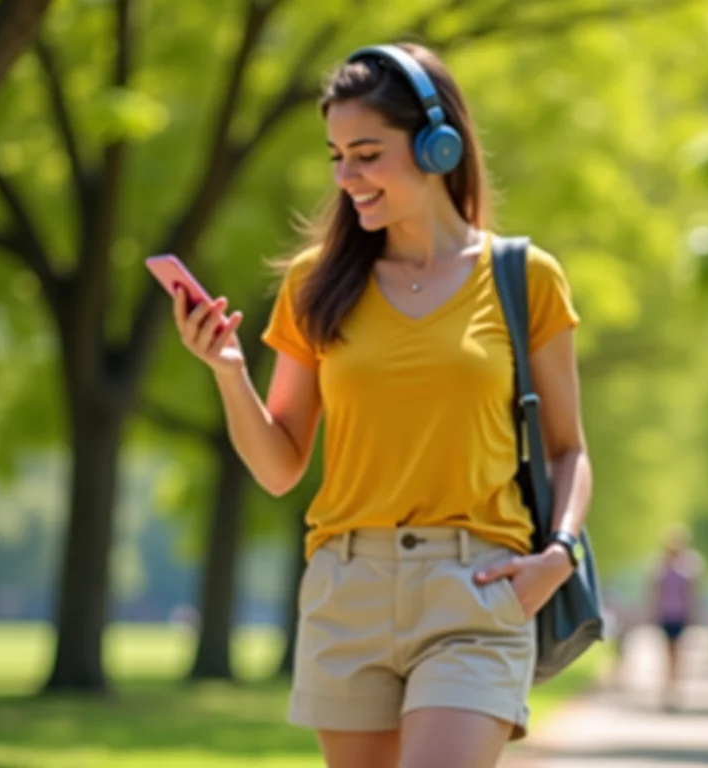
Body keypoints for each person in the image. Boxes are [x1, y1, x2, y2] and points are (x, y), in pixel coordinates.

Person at [169, 42, 592, 768]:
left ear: (437, 143)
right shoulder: (315, 284)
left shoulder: (526, 278)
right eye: (336, 157)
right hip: (348, 588)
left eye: (366, 153)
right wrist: (228, 372)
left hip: (477, 589)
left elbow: (568, 447)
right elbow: (279, 467)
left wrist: (558, 554)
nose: (347, 177)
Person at [650, 525, 702, 712]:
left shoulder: (689, 567)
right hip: (665, 615)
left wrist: (694, 614)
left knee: (678, 654)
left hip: (680, 615)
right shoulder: (659, 567)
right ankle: (668, 690)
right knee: (667, 653)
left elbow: (692, 594)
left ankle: (676, 690)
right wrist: (652, 613)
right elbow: (654, 593)